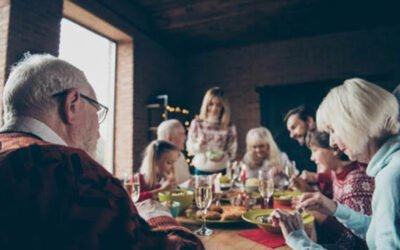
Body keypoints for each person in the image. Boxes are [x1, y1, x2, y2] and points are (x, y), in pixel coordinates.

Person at [0, 54, 203, 250]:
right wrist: (156, 215)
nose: (99, 131)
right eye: (97, 110)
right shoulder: (75, 172)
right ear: (71, 105)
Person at [273, 78, 400, 249]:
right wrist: (335, 209)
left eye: (333, 130)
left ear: (354, 123)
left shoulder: (390, 178)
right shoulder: (390, 166)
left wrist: (299, 241)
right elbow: (377, 234)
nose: (332, 142)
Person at [292, 130, 374, 249]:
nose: (312, 158)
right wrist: (305, 188)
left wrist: (322, 217)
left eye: (314, 151)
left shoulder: (356, 183)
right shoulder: (338, 172)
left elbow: (357, 242)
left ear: (335, 149)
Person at [186, 86, 237, 175]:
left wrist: (223, 156)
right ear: (206, 104)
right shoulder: (197, 123)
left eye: (218, 105)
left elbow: (232, 152)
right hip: (201, 170)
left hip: (222, 170)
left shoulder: (229, 126)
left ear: (223, 107)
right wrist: (198, 146)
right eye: (211, 104)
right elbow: (189, 148)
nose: (214, 108)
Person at [284, 105, 318, 173]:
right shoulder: (303, 151)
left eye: (294, 127)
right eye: (290, 131)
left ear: (309, 121)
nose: (291, 135)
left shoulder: (329, 145)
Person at [157, 119, 191, 186]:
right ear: (170, 137)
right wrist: (187, 185)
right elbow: (162, 190)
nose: (185, 137)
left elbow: (186, 179)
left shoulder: (181, 156)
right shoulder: (158, 160)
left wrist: (204, 178)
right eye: (182, 134)